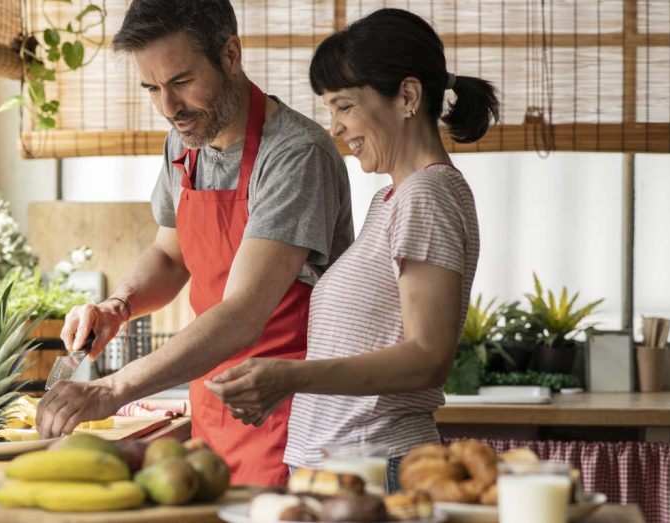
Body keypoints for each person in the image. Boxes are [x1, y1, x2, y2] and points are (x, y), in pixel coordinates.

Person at [34, 0, 354, 486]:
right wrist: (117, 307)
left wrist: (112, 389)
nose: (169, 108)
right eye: (152, 88)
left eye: (181, 82)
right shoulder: (185, 144)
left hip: (288, 419)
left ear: (230, 54)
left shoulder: (294, 154)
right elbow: (169, 255)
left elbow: (243, 316)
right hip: (213, 414)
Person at [205, 7, 499, 491]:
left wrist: (291, 377)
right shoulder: (391, 199)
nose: (335, 127)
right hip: (344, 466)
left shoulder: (428, 195)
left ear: (407, 96)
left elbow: (428, 356)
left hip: (378, 468)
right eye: (330, 109)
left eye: (344, 106)